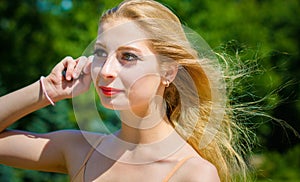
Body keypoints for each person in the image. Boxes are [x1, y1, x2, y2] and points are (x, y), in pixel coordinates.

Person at [0, 0, 250, 181]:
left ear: (168, 72)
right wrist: (48, 90)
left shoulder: (193, 174)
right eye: (100, 53)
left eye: (128, 56)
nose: (106, 70)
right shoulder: (79, 150)